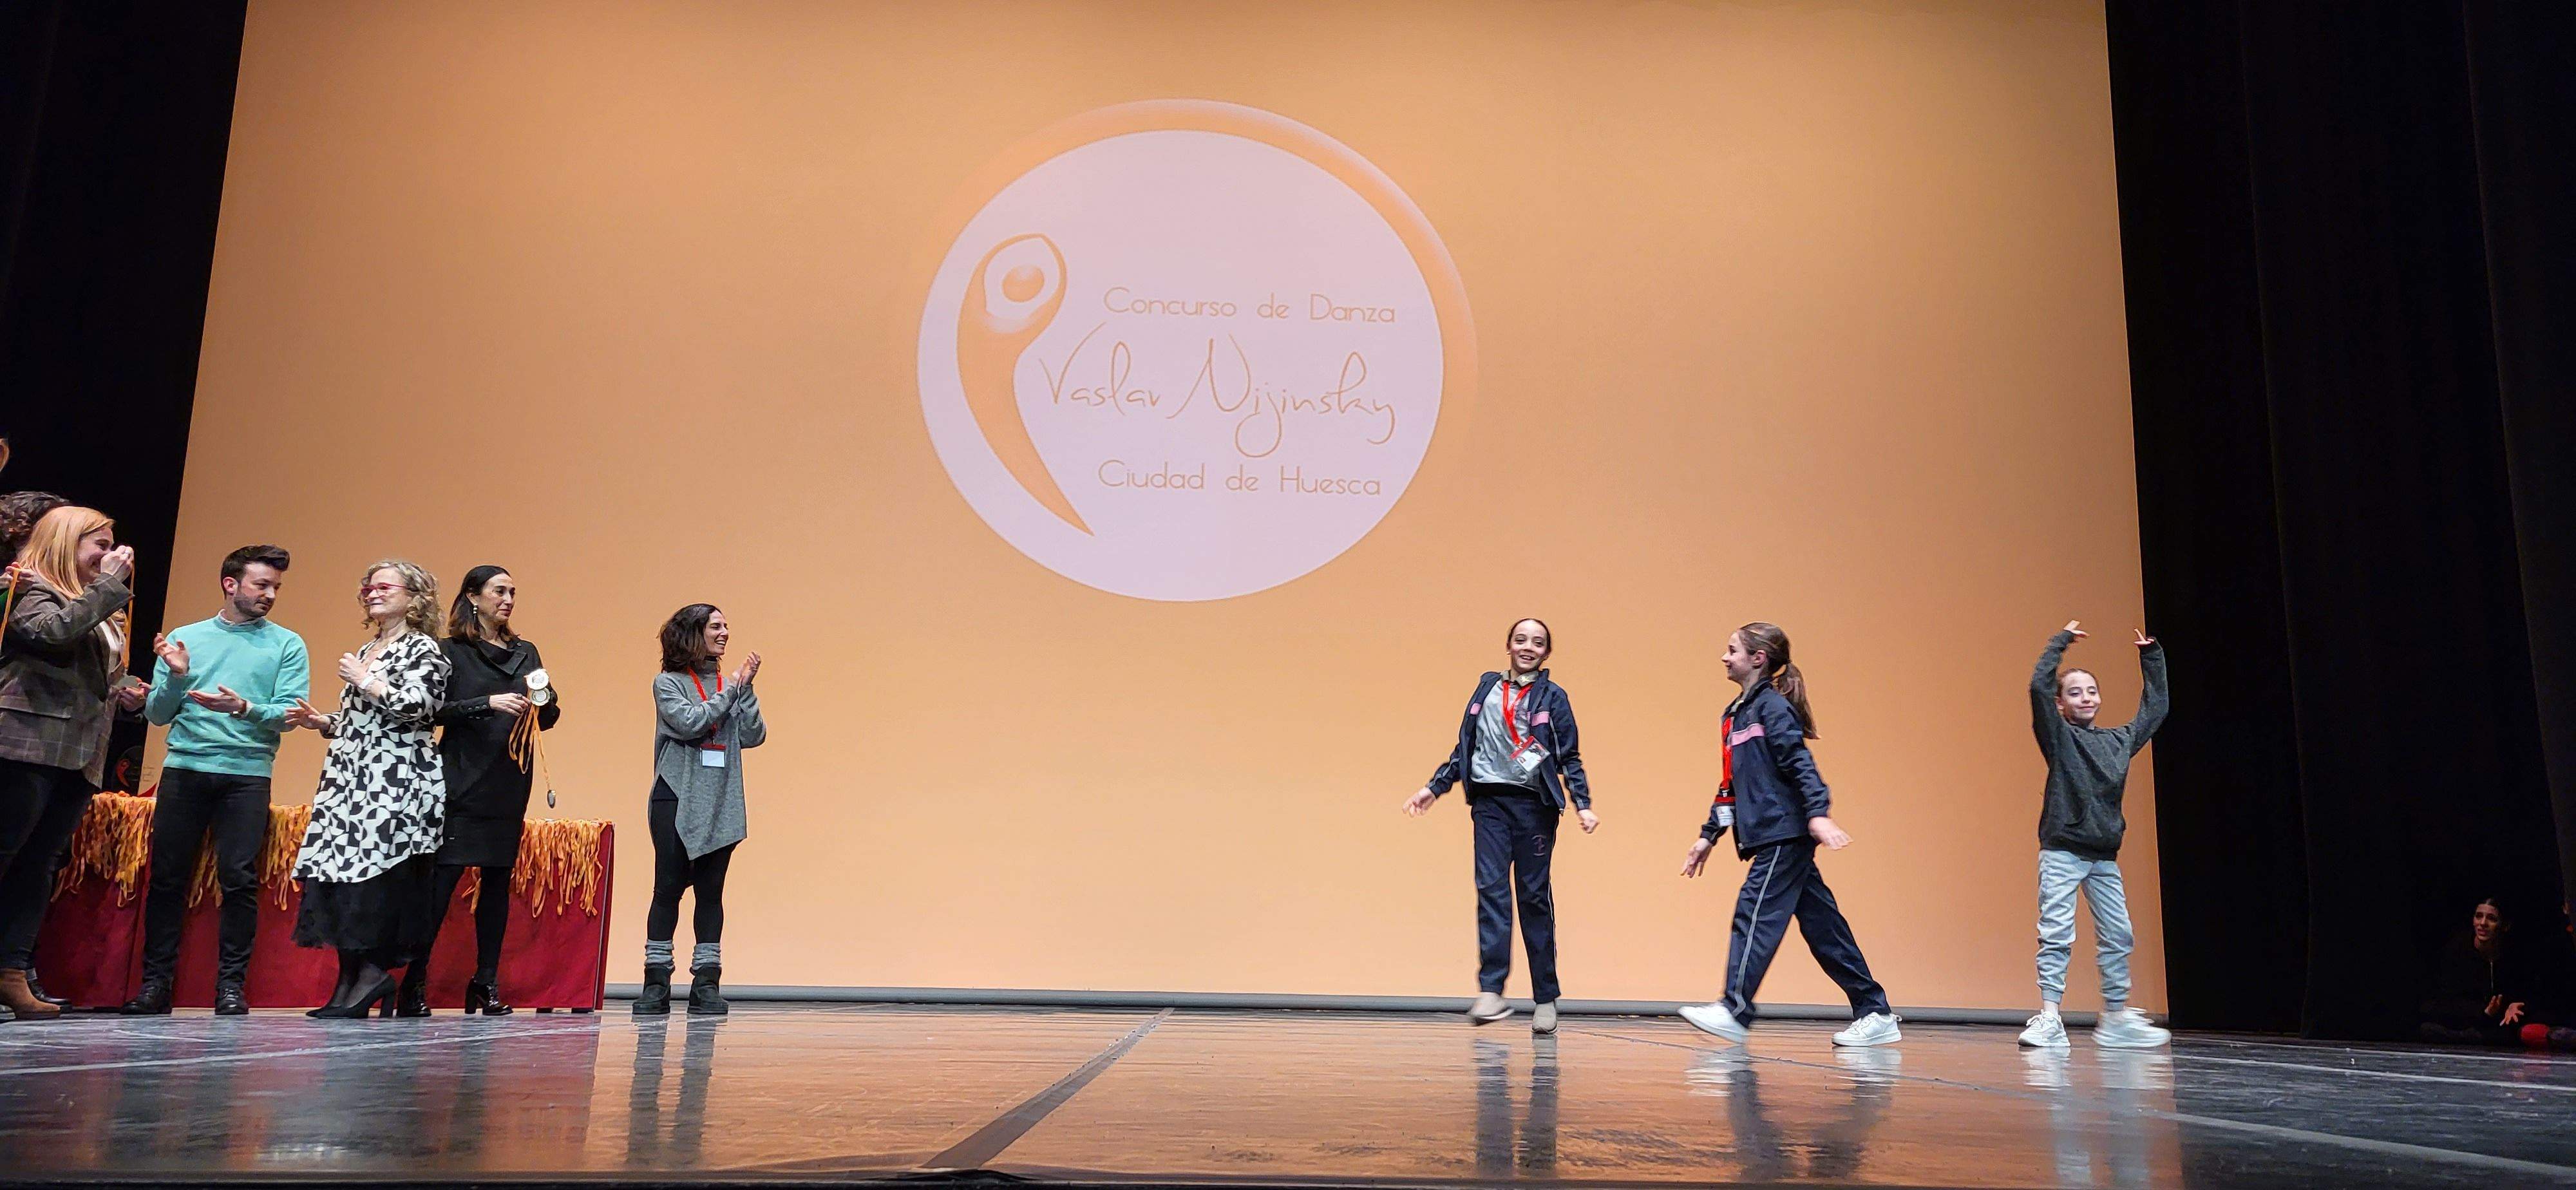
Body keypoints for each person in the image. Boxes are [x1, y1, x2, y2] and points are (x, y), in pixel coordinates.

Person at [1678, 622, 1898, 1048]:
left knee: (1754, 913)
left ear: (1757, 659)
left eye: (1732, 650)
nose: (1724, 658)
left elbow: (1800, 763)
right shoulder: (1735, 715)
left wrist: (1818, 814)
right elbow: (1731, 785)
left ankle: (1735, 1008)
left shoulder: (1772, 709)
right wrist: (1709, 836)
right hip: (1769, 834)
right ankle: (1875, 1010)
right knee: (1824, 928)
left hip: (1785, 834)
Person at [121, 545, 308, 1017]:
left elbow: (289, 715)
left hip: (246, 775)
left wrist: (244, 708)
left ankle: (230, 987)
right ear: (231, 584)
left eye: (275, 588)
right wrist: (178, 678)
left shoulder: (287, 644)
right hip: (185, 770)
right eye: (261, 585)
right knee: (167, 879)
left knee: (238, 879)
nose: (270, 595)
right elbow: (158, 715)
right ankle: (156, 985)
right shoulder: (186, 638)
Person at [1402, 618, 1599, 1034]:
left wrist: (1583, 804)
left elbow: (1570, 757)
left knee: (1533, 899)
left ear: (1547, 653)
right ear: (1508, 644)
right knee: (1491, 890)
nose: (1528, 646)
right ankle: (1491, 990)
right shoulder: (1487, 689)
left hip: (1534, 808)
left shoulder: (1553, 697)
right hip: (1490, 804)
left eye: (1538, 642)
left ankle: (1546, 996)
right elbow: (1466, 746)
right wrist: (1434, 788)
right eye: (1521, 639)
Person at [281, 560, 450, 1019]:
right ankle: (347, 983)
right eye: (367, 587)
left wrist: (367, 680)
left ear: (414, 598)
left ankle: (372, 977)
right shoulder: (370, 646)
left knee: (375, 880)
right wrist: (324, 722)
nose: (371, 593)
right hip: (351, 781)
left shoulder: (425, 650)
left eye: (383, 586)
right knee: (341, 877)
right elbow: (367, 720)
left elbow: (421, 708)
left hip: (395, 782)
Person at [396, 565, 563, 1017]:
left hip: (509, 780)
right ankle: (414, 981)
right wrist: (485, 704)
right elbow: (431, 712)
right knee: (441, 884)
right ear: (472, 596)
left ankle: (485, 981)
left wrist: (542, 704)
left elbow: (549, 715)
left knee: (497, 883)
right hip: (460, 778)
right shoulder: (450, 651)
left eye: (512, 592)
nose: (507, 600)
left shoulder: (525, 652)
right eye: (499, 592)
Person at [0, 507, 143, 1020]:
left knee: (37, 867)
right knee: (5, 854)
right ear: (64, 542)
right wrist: (106, 587)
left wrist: (125, 691)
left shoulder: (93, 605)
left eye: (111, 545)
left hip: (79, 754)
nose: (109, 555)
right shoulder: (24, 585)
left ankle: (10, 973)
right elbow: (49, 635)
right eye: (98, 544)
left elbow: (80, 668)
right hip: (25, 743)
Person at [2018, 620, 2172, 1049]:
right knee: (2056, 932)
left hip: (2103, 855)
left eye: (2091, 691)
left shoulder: (2119, 741)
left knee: (2120, 934)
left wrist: (2151, 657)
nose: (2085, 698)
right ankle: (2050, 1017)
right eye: (2074, 692)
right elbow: (2036, 688)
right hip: (2063, 850)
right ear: (2061, 704)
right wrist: (2060, 644)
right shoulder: (2060, 738)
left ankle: (2116, 1018)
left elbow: (2154, 710)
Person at [638, 603, 762, 1017]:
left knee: (711, 894)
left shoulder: (731, 684)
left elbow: (753, 735)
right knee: (669, 889)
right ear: (694, 634)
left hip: (720, 801)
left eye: (727, 625)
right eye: (716, 626)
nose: (725, 632)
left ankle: (706, 982)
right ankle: (656, 983)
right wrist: (732, 690)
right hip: (676, 797)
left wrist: (745, 691)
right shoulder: (667, 684)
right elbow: (691, 723)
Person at [2420, 896, 2548, 1045]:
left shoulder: (2514, 956)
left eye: (2491, 919)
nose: (2483, 924)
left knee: (2515, 1032)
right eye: (2479, 916)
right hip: (2465, 1023)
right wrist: (2483, 1012)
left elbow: (2530, 994)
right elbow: (2441, 1002)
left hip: (2498, 1027)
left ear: (2505, 926)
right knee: (2428, 1029)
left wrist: (2517, 1005)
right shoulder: (2457, 951)